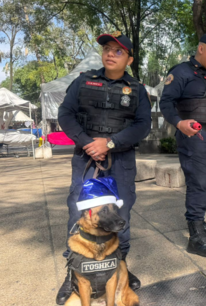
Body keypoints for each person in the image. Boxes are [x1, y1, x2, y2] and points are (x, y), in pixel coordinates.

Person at [56, 31, 151, 305]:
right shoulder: (83, 81)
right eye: (107, 48)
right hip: (86, 157)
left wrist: (109, 143)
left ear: (129, 59)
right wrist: (89, 144)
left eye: (118, 51)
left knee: (121, 214)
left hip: (120, 160)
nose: (110, 53)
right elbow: (66, 114)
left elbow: (142, 125)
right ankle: (73, 274)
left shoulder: (137, 89)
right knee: (79, 211)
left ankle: (119, 266)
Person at [160, 33, 206, 258]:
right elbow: (166, 102)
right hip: (194, 135)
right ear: (200, 49)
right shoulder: (181, 72)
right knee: (198, 184)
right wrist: (179, 123)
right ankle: (196, 236)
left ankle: (200, 222)